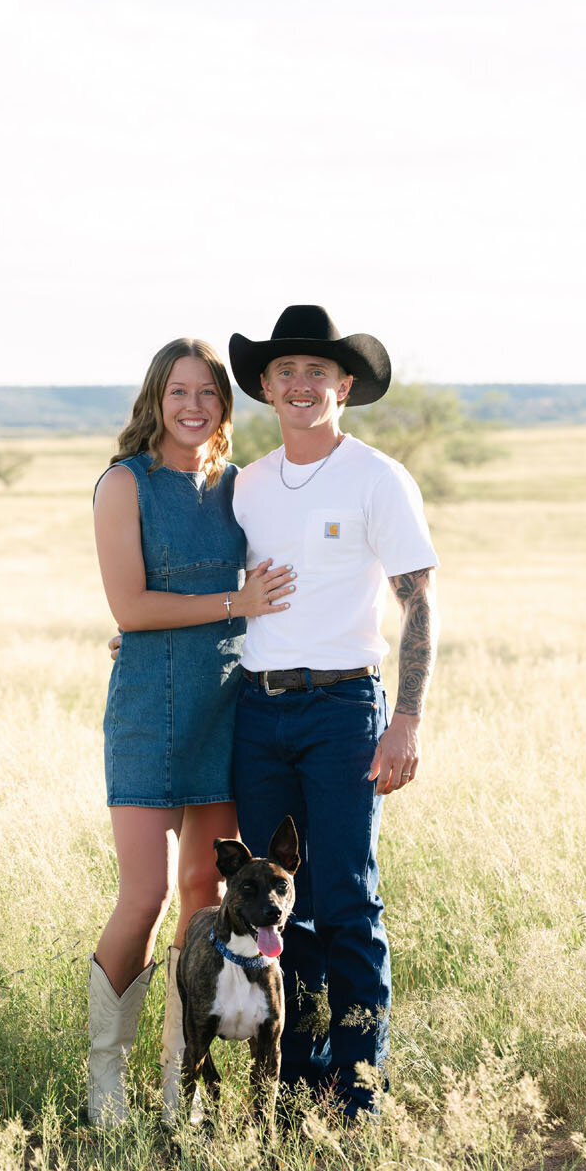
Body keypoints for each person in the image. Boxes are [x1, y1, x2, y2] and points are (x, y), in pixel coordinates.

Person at [227, 304, 439, 1118]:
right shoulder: (247, 486)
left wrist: (407, 720)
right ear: (266, 389)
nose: (302, 384)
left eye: (318, 371)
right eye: (286, 371)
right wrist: (136, 637)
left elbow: (419, 604)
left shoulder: (377, 477)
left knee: (346, 898)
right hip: (259, 712)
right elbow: (217, 592)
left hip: (344, 709)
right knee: (279, 904)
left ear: (344, 385)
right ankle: (295, 1078)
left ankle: (359, 1088)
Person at [88, 337, 294, 1126]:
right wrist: (231, 605)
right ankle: (107, 1078)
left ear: (224, 404)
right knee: (142, 894)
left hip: (223, 706)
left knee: (202, 893)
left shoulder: (238, 486)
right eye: (179, 391)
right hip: (146, 710)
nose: (193, 405)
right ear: (155, 397)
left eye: (207, 392)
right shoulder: (122, 484)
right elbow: (132, 610)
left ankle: (182, 1078)